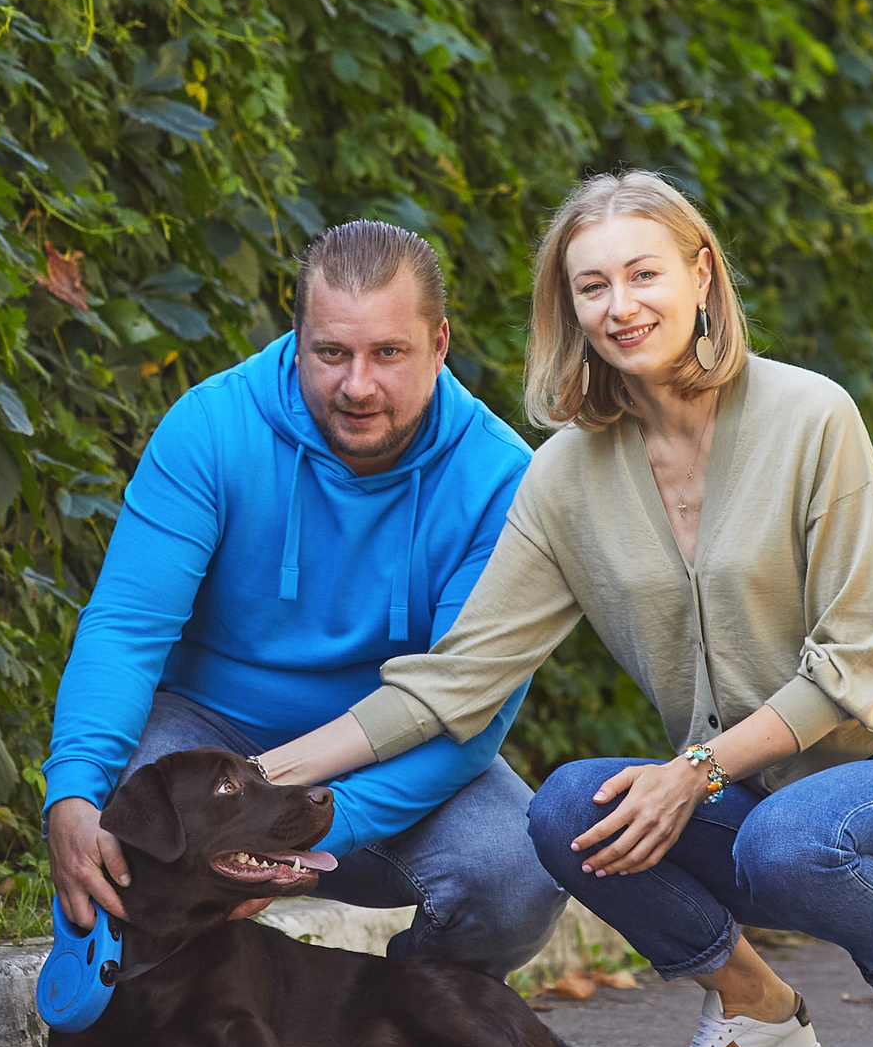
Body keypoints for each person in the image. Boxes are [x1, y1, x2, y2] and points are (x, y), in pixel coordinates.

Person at [260, 173, 873, 1047]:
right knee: (570, 808)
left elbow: (855, 660)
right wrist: (265, 777)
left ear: (702, 276)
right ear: (567, 307)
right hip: (749, 799)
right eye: (591, 286)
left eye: (643, 274)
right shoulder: (566, 472)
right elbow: (458, 680)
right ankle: (756, 1011)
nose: (620, 306)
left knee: (788, 838)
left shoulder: (813, 416)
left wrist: (694, 771)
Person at [44, 220, 565, 976]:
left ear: (440, 343)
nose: (358, 386)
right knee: (128, 827)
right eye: (332, 353)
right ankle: (132, 1018)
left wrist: (305, 828)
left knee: (515, 870)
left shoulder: (499, 481)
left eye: (389, 353)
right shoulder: (214, 426)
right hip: (207, 738)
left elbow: (468, 721)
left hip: (390, 756)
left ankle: (403, 1028)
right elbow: (125, 629)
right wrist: (72, 792)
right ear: (297, 339)